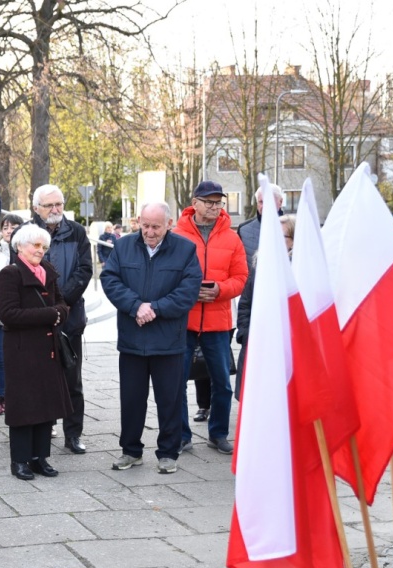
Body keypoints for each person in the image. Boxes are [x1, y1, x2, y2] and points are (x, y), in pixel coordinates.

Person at [100, 202, 201, 474]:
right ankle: (130, 451)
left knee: (170, 400)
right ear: (138, 222)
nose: (150, 232)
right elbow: (110, 280)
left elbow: (188, 291)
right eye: (145, 225)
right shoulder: (123, 247)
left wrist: (154, 308)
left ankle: (168, 453)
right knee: (131, 399)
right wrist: (135, 306)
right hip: (133, 340)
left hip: (168, 341)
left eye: (156, 226)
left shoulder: (185, 250)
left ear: (169, 224)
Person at [172, 181, 248, 456]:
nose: (215, 207)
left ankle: (218, 434)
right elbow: (167, 276)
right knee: (176, 382)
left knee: (222, 383)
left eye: (218, 202)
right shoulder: (177, 235)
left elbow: (240, 278)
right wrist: (190, 294)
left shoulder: (232, 238)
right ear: (195, 202)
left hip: (218, 322)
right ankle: (181, 435)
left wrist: (220, 290)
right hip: (184, 321)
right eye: (209, 202)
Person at [0, 224, 72, 480]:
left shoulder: (47, 271)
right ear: (20, 246)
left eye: (43, 246)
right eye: (35, 245)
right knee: (23, 408)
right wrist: (51, 315)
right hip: (22, 352)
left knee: (45, 406)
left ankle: (40, 458)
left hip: (48, 350)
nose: (41, 250)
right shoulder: (9, 274)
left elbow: (63, 304)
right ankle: (19, 461)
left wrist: (58, 312)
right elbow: (8, 315)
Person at [30, 184, 92, 455]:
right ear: (36, 209)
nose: (55, 210)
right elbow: (17, 272)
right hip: (38, 319)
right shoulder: (25, 233)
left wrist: (61, 302)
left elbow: (84, 270)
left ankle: (73, 434)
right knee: (41, 380)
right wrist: (43, 306)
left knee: (71, 380)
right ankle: (42, 432)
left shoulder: (77, 232)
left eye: (59, 204)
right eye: (48, 205)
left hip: (69, 318)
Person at [235, 214, 295, 401]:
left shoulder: (300, 268)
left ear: (294, 239)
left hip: (287, 344)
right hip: (258, 340)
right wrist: (245, 332)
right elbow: (245, 302)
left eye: (281, 236)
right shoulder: (260, 263)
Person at [0, 212, 24, 416]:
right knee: (1, 357)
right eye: (5, 227)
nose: (9, 231)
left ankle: (20, 396)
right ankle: (3, 398)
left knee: (22, 357)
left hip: (23, 311)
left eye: (13, 226)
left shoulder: (28, 248)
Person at [236, 183, 284, 261]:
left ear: (280, 202)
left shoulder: (293, 229)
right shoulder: (243, 230)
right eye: (261, 202)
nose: (264, 206)